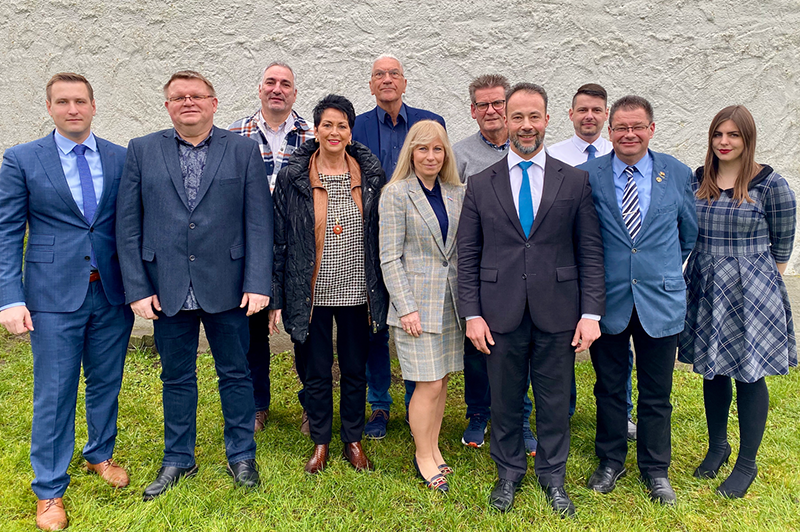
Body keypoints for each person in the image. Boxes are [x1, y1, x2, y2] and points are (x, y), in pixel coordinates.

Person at [116, 70, 273, 499]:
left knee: (236, 374)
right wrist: (136, 288)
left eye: (197, 96)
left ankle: (241, 454)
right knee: (176, 377)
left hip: (228, 285)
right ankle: (178, 458)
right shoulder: (142, 150)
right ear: (167, 105)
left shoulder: (242, 150)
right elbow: (127, 227)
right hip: (165, 287)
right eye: (178, 97)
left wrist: (259, 282)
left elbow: (259, 222)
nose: (188, 102)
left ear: (213, 102)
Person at [458, 82, 605, 516]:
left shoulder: (574, 181)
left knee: (555, 399)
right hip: (498, 311)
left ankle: (553, 477)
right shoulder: (481, 184)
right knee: (503, 398)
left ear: (546, 119)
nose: (525, 126)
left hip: (558, 311)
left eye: (533, 116)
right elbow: (467, 254)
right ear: (505, 120)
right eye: (517, 117)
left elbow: (590, 251)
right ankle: (508, 474)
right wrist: (472, 313)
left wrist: (591, 313)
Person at [0, 72, 134, 531]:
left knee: (105, 382)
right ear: (50, 107)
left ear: (94, 106)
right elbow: (8, 232)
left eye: (80, 101)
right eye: (63, 102)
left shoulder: (120, 157)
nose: (72, 109)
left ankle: (100, 454)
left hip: (110, 292)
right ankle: (50, 489)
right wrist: (9, 297)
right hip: (52, 296)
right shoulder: (21, 159)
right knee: (55, 393)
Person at [580, 95, 698, 505]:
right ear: (609, 132)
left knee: (656, 392)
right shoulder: (587, 175)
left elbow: (689, 234)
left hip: (659, 300)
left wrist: (658, 269)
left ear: (651, 128)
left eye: (637, 127)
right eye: (621, 128)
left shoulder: (677, 173)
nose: (629, 134)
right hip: (608, 299)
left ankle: (655, 469)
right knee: (609, 388)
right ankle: (610, 461)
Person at [679, 105, 796, 498]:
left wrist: (757, 283)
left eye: (733, 135)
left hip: (751, 290)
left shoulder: (771, 184)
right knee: (712, 371)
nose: (724, 142)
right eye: (718, 135)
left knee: (749, 373)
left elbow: (783, 245)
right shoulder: (699, 178)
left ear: (748, 139)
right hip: (705, 284)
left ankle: (747, 462)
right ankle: (717, 447)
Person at [270, 94, 389, 474]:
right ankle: (321, 441)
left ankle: (352, 439)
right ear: (316, 129)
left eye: (342, 125)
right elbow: (280, 237)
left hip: (358, 293)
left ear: (350, 131)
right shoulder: (293, 176)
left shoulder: (370, 175)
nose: (334, 132)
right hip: (311, 293)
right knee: (317, 371)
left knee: (355, 369)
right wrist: (276, 295)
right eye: (327, 125)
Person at [353, 54, 446, 439]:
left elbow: (438, 171)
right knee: (376, 322)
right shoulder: (356, 125)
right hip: (370, 233)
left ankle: (415, 402)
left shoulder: (430, 122)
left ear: (404, 82)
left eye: (394, 74)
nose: (387, 80)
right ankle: (379, 405)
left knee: (416, 324)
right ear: (371, 85)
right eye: (379, 75)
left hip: (419, 236)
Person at [452, 74, 537, 455]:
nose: (491, 110)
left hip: (526, 270)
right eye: (482, 105)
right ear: (472, 111)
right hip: (484, 269)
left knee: (524, 351)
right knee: (478, 347)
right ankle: (478, 413)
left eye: (497, 103)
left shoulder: (531, 149)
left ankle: (521, 417)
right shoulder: (462, 155)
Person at [229, 61, 314, 435]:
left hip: (299, 248)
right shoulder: (233, 135)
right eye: (270, 82)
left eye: (285, 84)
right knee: (251, 332)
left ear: (295, 94)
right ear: (260, 89)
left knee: (304, 329)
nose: (277, 89)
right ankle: (257, 404)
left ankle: (312, 404)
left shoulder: (312, 136)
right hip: (248, 247)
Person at [548, 83, 637, 441]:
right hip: (565, 267)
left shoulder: (620, 154)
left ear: (606, 117)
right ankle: (563, 410)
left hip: (611, 270)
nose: (589, 116)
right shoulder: (553, 156)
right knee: (563, 345)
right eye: (582, 109)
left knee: (616, 344)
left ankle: (622, 412)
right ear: (570, 114)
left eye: (596, 110)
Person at [379, 120, 465, 492]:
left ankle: (434, 446)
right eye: (422, 149)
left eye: (437, 149)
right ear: (410, 153)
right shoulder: (396, 193)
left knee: (442, 380)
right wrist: (406, 307)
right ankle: (422, 455)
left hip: (450, 305)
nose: (430, 156)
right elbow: (389, 258)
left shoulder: (455, 192)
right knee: (426, 384)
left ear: (446, 154)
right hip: (415, 307)